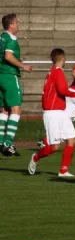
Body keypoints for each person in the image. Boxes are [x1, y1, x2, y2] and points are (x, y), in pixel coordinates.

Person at [28, 49, 75, 177]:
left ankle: (63, 171)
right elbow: (63, 90)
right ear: (63, 59)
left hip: (61, 112)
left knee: (72, 140)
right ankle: (36, 157)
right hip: (53, 113)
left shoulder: (52, 72)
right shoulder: (57, 72)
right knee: (54, 147)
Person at [0, 13, 33, 156]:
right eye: (17, 23)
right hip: (9, 75)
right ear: (11, 25)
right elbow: (8, 56)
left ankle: (1, 141)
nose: (18, 25)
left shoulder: (2, 37)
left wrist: (18, 59)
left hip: (1, 75)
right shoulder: (12, 38)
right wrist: (22, 66)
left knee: (4, 110)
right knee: (16, 109)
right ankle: (8, 144)